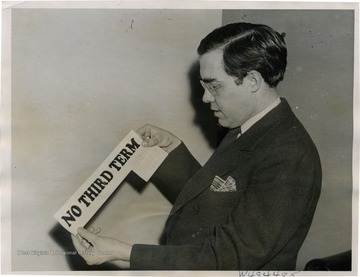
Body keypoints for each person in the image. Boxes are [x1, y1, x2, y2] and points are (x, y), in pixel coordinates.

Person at [72, 22, 322, 270]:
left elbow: (229, 256)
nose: (205, 98)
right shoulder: (247, 126)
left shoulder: (289, 155)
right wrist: (173, 152)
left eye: (214, 86)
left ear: (253, 80)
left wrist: (125, 252)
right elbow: (218, 202)